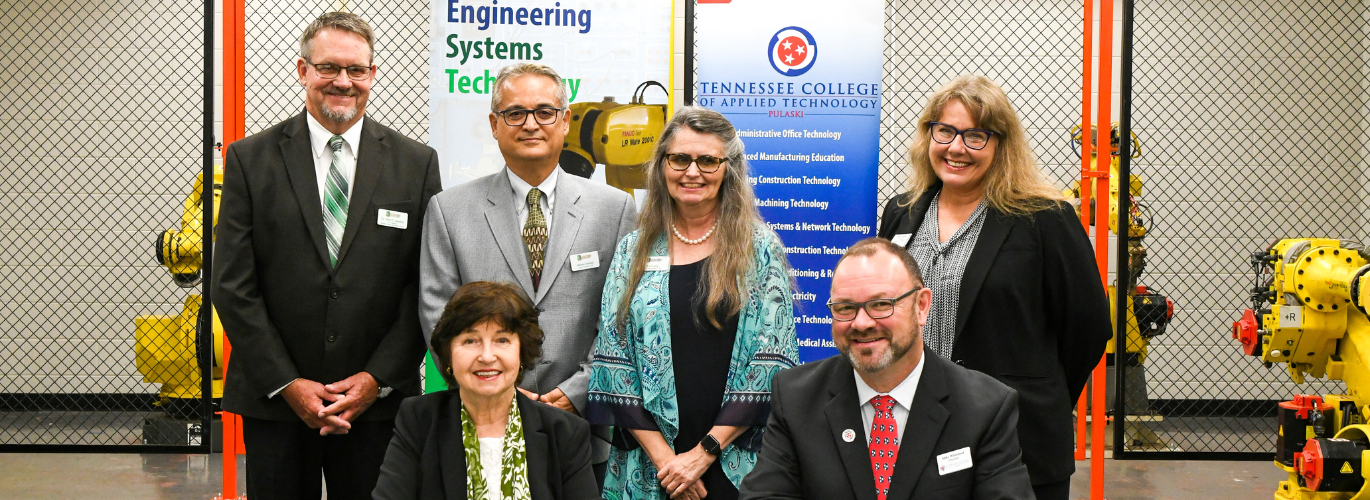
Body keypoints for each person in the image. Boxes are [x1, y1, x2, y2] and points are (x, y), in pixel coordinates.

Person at [211, 12, 441, 499]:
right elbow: (232, 285)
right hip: (276, 403)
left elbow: (424, 286)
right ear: (302, 71)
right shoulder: (250, 160)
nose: (343, 82)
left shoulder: (415, 164)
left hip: (374, 407)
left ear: (373, 75)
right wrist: (288, 383)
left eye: (357, 70)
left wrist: (375, 380)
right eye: (329, 67)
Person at [875, 74, 1112, 500]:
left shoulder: (1045, 218)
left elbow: (1089, 325)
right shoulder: (902, 213)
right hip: (913, 432)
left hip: (1019, 439)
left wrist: (1042, 394)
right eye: (944, 131)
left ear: (1001, 144)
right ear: (928, 135)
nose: (956, 147)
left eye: (975, 136)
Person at [419, 63, 637, 479]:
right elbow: (437, 315)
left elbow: (622, 319)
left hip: (581, 426)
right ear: (494, 125)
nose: (530, 124)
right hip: (481, 420)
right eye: (515, 113)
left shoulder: (614, 210)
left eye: (544, 112)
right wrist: (495, 389)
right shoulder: (450, 210)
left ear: (565, 121)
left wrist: (578, 391)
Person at [588, 106, 800, 500]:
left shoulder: (759, 248)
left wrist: (701, 456)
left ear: (728, 169)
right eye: (680, 158)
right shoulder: (633, 250)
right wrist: (669, 462)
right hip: (652, 466)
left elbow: (772, 358)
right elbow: (613, 361)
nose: (692, 171)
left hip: (735, 460)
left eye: (707, 160)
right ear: (662, 165)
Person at [737, 238, 1034, 500]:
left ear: (921, 306)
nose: (861, 323)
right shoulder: (796, 398)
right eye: (844, 308)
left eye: (881, 304)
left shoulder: (985, 408)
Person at [373, 281, 601, 500]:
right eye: (471, 341)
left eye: (502, 340)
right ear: (448, 354)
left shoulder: (564, 432)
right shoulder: (419, 420)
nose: (487, 356)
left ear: (521, 352)